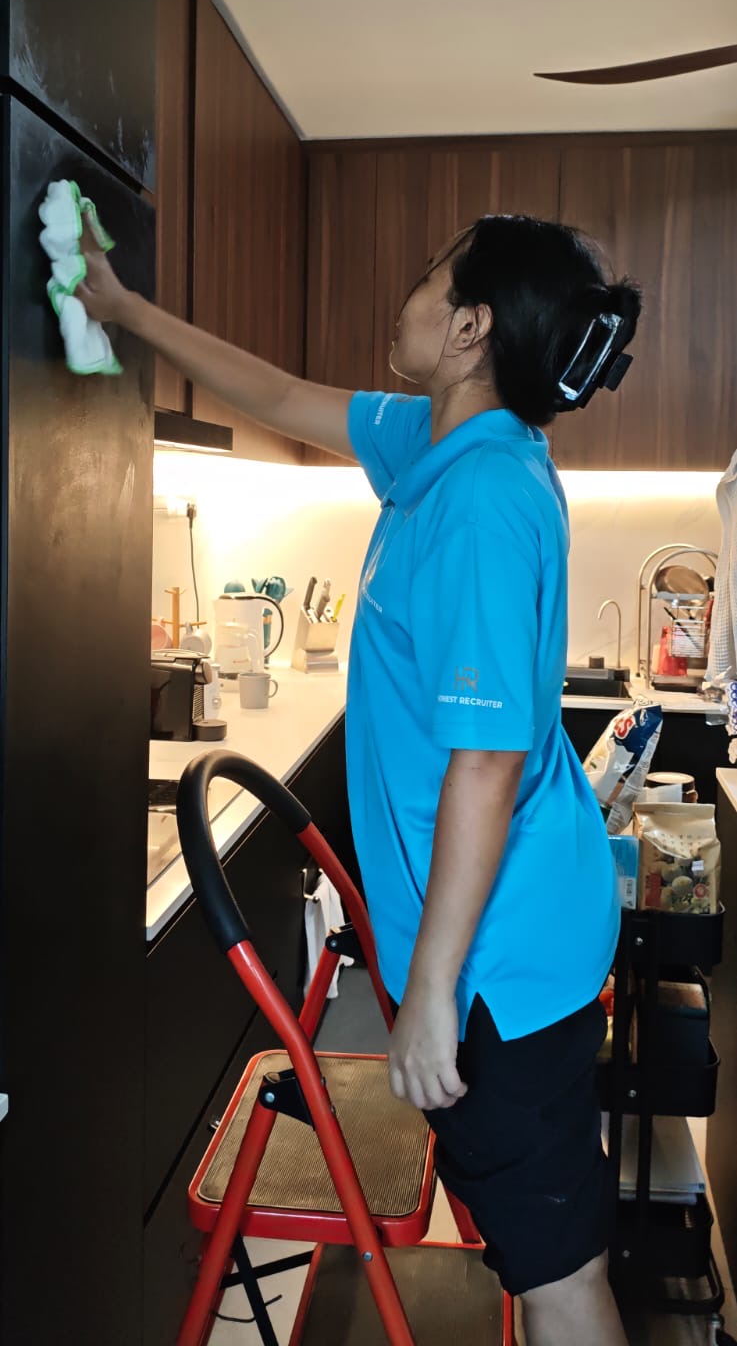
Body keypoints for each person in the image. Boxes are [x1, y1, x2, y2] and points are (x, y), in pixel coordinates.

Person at [78, 212, 640, 1345]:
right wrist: (123, 309)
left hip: (505, 964)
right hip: (496, 939)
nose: (405, 297)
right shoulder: (438, 446)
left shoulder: (481, 499)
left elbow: (487, 761)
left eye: (428, 279)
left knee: (555, 1271)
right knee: (529, 1248)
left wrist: (430, 990)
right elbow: (283, 395)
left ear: (470, 328)